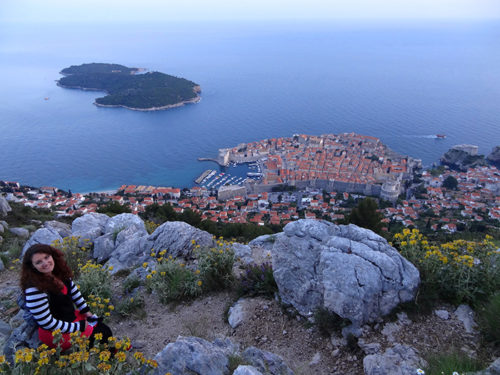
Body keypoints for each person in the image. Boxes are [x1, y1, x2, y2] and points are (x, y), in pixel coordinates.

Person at [20, 244, 113, 351]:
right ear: (32, 266)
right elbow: (46, 323)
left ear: (52, 256)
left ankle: (111, 351)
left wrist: (87, 313)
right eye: (38, 262)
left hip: (69, 318)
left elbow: (75, 293)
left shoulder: (58, 273)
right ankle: (109, 357)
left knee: (103, 328)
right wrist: (79, 326)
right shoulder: (34, 289)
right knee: (101, 335)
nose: (45, 263)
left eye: (46, 257)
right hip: (56, 333)